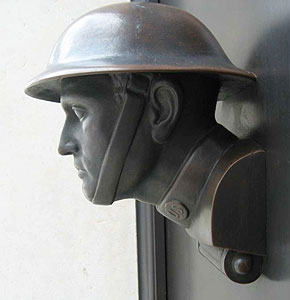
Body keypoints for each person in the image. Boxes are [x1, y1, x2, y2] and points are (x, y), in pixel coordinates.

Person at [25, 2, 265, 256]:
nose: (64, 146)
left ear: (162, 110)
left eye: (80, 113)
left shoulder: (235, 195)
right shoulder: (200, 203)